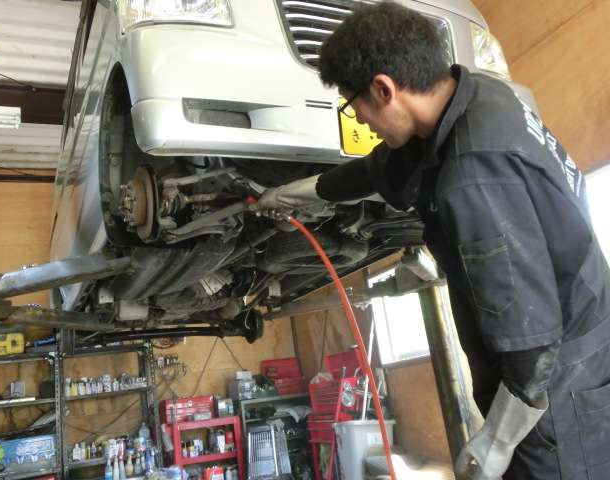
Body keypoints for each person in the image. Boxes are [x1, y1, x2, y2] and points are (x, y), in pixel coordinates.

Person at [256, 2, 610, 479]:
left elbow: (533, 346)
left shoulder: (472, 178)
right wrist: (292, 194)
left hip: (555, 398)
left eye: (353, 106)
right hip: (580, 350)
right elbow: (377, 170)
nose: (360, 122)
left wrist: (495, 444)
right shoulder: (480, 96)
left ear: (384, 89)